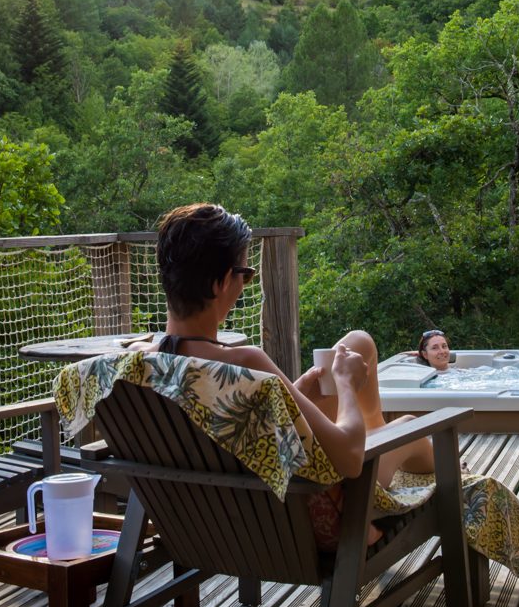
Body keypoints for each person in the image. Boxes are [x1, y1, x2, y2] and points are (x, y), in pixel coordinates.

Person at [136, 202, 434, 487]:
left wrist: (294, 393)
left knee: (359, 342)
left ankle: (376, 435)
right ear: (222, 282)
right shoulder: (245, 363)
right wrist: (346, 383)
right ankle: (450, 473)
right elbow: (350, 459)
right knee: (410, 427)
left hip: (213, 513)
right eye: (246, 274)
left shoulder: (137, 365)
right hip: (317, 508)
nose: (245, 283)